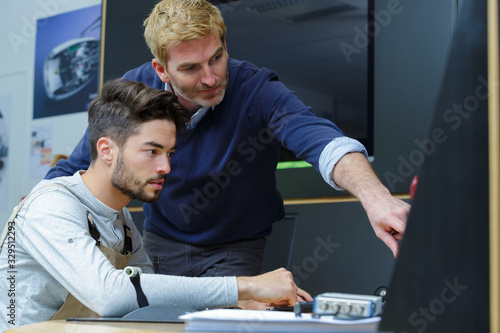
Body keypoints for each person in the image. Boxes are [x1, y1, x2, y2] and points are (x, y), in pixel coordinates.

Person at [46, 0, 411, 278]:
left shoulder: (255, 89)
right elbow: (78, 167)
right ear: (161, 70)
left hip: (235, 248)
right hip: (159, 243)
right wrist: (31, 225)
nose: (210, 78)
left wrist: (376, 198)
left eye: (216, 58)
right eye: (190, 68)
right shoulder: (134, 92)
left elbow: (322, 141)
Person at [0, 79, 311, 331]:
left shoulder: (121, 221)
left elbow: (147, 300)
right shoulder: (52, 206)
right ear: (107, 150)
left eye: (170, 154)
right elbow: (110, 295)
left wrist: (233, 305)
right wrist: (244, 287)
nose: (166, 167)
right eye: (152, 151)